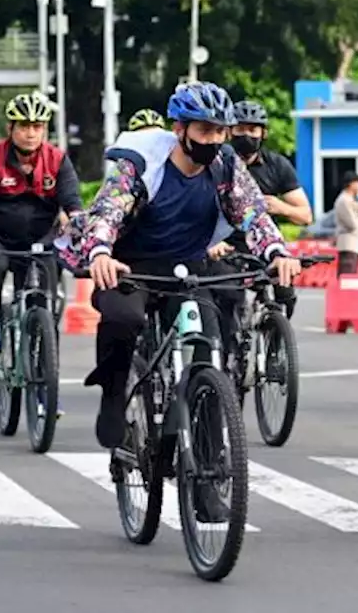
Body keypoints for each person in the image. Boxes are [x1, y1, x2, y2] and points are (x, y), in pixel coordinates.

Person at [55, 81, 303, 451]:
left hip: (187, 267)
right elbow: (108, 210)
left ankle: (208, 455)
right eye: (204, 130)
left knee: (210, 342)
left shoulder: (225, 166)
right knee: (124, 321)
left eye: (220, 131)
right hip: (129, 266)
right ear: (179, 129)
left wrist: (277, 253)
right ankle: (113, 394)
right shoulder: (142, 163)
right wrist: (101, 253)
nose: (213, 140)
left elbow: (252, 213)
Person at [0, 92, 83, 355]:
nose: (30, 133)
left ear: (44, 130)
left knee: (43, 303)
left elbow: (73, 204)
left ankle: (43, 373)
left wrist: (83, 234)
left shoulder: (58, 160)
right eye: (24, 126)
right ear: (10, 128)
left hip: (41, 239)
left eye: (37, 127)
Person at [207, 100, 312, 343]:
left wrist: (278, 206)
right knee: (227, 296)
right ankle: (228, 347)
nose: (246, 135)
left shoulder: (278, 166)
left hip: (264, 245)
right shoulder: (217, 163)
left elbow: (305, 215)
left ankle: (277, 343)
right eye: (240, 129)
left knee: (285, 290)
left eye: (252, 130)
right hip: (225, 246)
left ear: (263, 133)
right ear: (229, 130)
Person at [333, 172, 358, 274]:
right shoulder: (344, 200)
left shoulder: (352, 200)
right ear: (351, 184)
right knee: (347, 274)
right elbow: (352, 223)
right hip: (348, 243)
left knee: (351, 273)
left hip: (354, 244)